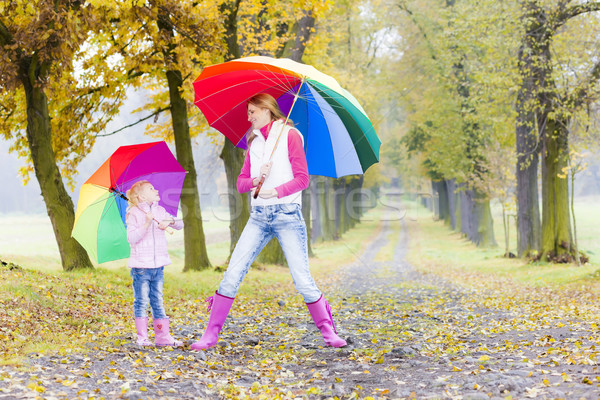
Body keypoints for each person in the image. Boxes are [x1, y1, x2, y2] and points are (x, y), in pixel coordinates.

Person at [191, 93, 347, 350]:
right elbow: (241, 183)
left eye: (252, 111)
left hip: (287, 214)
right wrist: (256, 180)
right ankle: (210, 335)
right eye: (248, 112)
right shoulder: (253, 142)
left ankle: (328, 331)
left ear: (266, 109)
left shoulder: (291, 136)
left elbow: (302, 179)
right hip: (259, 217)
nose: (249, 117)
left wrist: (274, 191)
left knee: (302, 279)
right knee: (232, 275)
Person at [125, 180, 184, 347]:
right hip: (141, 268)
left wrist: (169, 222)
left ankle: (162, 336)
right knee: (142, 301)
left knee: (157, 299)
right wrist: (146, 223)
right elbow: (132, 238)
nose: (156, 189)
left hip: (158, 266)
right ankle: (142, 337)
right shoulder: (133, 213)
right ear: (142, 196)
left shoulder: (159, 210)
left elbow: (180, 223)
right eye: (151, 189)